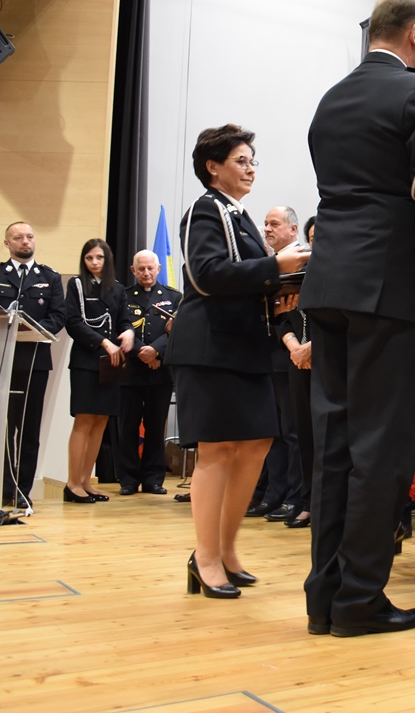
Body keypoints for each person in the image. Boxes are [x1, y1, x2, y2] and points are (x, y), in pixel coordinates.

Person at [301, 0, 415, 636]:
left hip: (329, 286)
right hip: (386, 290)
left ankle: (325, 598)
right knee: (382, 448)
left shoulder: (331, 99)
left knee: (335, 449)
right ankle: (359, 601)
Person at [164, 124, 309, 599]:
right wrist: (276, 267)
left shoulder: (240, 216)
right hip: (211, 345)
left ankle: (226, 550)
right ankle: (204, 558)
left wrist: (279, 291)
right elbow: (206, 276)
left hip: (246, 343)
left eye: (252, 161)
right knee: (218, 450)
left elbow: (245, 280)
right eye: (241, 161)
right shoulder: (206, 210)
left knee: (257, 443)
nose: (250, 169)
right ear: (213, 167)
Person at [0, 221, 67, 508]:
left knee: (28, 429)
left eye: (30, 236)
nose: (25, 241)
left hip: (34, 360)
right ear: (7, 243)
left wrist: (33, 329)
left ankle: (23, 491)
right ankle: (3, 489)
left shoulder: (49, 277)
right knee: (1, 428)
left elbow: (58, 316)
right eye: (18, 237)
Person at [63, 239, 134, 503]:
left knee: (101, 420)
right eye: (89, 258)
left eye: (99, 258)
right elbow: (73, 322)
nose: (94, 262)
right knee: (84, 420)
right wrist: (103, 342)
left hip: (111, 363)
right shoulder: (76, 285)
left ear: (107, 260)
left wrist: (129, 332)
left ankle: (85, 481)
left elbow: (123, 319)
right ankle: (72, 484)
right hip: (86, 361)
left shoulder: (117, 288)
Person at [246, 206, 305, 523]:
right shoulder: (267, 263)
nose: (267, 228)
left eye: (275, 223)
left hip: (291, 354)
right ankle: (271, 493)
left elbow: (295, 310)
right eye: (265, 224)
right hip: (264, 355)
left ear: (293, 229)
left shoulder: (303, 261)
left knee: (292, 431)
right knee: (272, 431)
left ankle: (293, 497)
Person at [117, 250, 181, 496]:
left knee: (156, 427)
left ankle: (154, 479)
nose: (146, 273)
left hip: (160, 372)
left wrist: (155, 351)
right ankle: (128, 479)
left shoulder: (174, 297)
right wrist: (141, 352)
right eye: (141, 269)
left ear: (158, 269)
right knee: (128, 426)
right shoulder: (123, 296)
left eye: (150, 268)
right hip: (131, 371)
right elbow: (121, 328)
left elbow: (177, 330)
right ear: (133, 270)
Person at [278, 214, 315, 530]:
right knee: (302, 432)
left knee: (328, 436)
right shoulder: (297, 273)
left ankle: (328, 504)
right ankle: (307, 502)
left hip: (327, 359)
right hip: (298, 361)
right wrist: (294, 347)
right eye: (312, 239)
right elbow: (282, 319)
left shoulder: (339, 272)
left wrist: (313, 347)